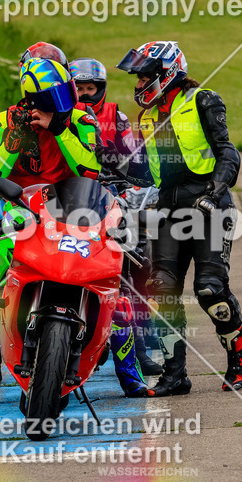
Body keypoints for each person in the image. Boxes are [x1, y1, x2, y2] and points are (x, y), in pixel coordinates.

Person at [0, 57, 148, 405]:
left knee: (117, 287)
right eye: (51, 97)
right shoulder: (3, 121)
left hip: (76, 212)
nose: (62, 101)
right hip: (23, 216)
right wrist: (13, 139)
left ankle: (130, 375)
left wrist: (58, 128)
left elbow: (89, 168)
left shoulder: (81, 119)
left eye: (63, 92)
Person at [117, 40, 242, 395]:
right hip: (167, 208)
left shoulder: (203, 100)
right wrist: (112, 177)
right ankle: (175, 375)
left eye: (144, 77)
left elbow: (228, 153)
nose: (138, 85)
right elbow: (147, 169)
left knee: (210, 289)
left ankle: (239, 357)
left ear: (166, 73)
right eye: (137, 78)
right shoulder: (146, 116)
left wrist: (215, 192)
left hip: (209, 204)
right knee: (162, 288)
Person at [70, 57, 161, 377]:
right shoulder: (58, 117)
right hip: (68, 202)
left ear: (101, 89)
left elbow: (136, 161)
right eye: (77, 88)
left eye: (89, 88)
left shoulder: (116, 117)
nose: (83, 94)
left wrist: (135, 180)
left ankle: (141, 340)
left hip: (108, 197)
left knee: (136, 259)